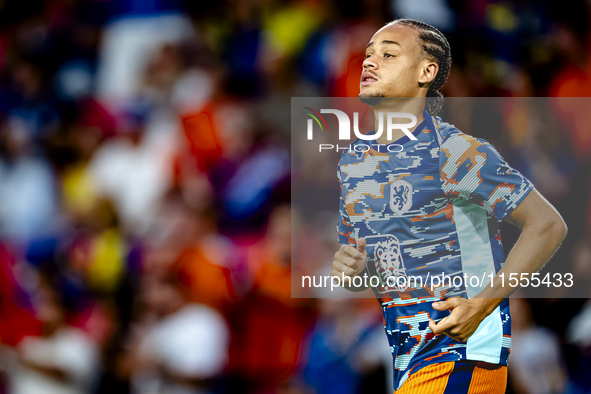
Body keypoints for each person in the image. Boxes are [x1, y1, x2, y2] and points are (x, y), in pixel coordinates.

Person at [331, 19, 567, 393]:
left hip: (463, 353)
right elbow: (379, 273)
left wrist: (482, 305)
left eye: (388, 54)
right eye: (368, 55)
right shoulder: (353, 164)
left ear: (427, 72)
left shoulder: (455, 151)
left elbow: (548, 225)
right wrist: (354, 269)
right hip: (409, 362)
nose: (369, 63)